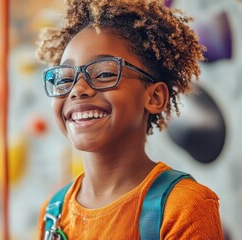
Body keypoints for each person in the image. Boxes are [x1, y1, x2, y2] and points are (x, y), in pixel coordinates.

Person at [36, 0, 223, 239]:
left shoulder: (183, 208)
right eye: (64, 79)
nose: (77, 89)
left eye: (104, 73)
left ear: (154, 97)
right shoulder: (54, 213)